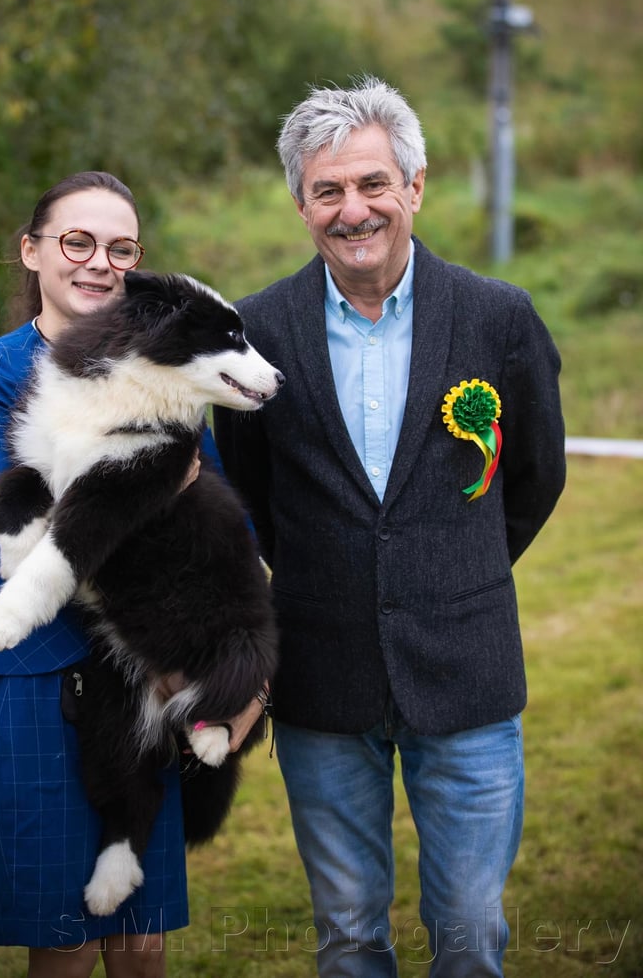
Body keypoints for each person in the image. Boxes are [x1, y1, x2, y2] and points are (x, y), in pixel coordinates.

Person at [213, 76, 566, 977]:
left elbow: (532, 478)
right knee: (347, 937)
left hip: (469, 675)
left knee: (472, 934)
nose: (353, 208)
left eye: (373, 183)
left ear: (414, 187)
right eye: (328, 190)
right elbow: (252, 494)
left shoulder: (499, 317)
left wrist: (452, 567)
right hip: (322, 682)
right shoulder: (255, 333)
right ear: (301, 204)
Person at [0, 171, 260, 978]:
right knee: (61, 940)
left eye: (121, 249)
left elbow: (209, 511)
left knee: (138, 938)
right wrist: (136, 505)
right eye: (77, 242)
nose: (99, 263)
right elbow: (14, 514)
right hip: (38, 669)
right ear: (32, 251)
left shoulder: (171, 370)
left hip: (152, 668)